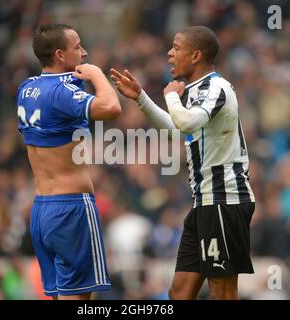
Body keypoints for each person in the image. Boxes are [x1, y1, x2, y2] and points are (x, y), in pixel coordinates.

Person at [110, 26, 255, 300]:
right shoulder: (194, 91)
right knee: (179, 292)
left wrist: (170, 95)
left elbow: (186, 121)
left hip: (225, 201)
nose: (169, 53)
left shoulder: (216, 87)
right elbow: (179, 129)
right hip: (204, 204)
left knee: (222, 292)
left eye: (176, 48)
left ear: (196, 55)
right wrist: (141, 98)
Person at [17, 24, 121, 300]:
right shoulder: (61, 92)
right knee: (80, 298)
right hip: (71, 209)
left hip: (40, 209)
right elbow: (112, 108)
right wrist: (97, 75)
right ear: (61, 54)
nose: (85, 53)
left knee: (59, 295)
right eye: (78, 47)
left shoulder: (27, 88)